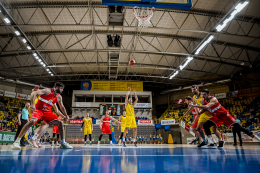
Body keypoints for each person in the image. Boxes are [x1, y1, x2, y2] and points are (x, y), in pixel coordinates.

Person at [11, 82, 72, 149]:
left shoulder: (59, 97)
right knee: (32, 121)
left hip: (47, 112)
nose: (62, 90)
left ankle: (63, 143)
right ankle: (17, 142)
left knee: (59, 122)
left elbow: (61, 107)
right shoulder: (48, 91)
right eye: (61, 88)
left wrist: (66, 115)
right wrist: (32, 105)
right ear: (56, 87)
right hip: (38, 110)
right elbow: (33, 93)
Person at [191, 89, 260, 144]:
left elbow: (207, 106)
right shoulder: (203, 101)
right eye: (202, 94)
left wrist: (194, 105)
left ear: (208, 94)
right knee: (206, 125)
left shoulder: (213, 99)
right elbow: (205, 109)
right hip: (216, 116)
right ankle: (210, 141)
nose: (203, 96)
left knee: (238, 127)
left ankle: (256, 137)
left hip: (224, 115)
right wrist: (199, 113)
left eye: (205, 94)